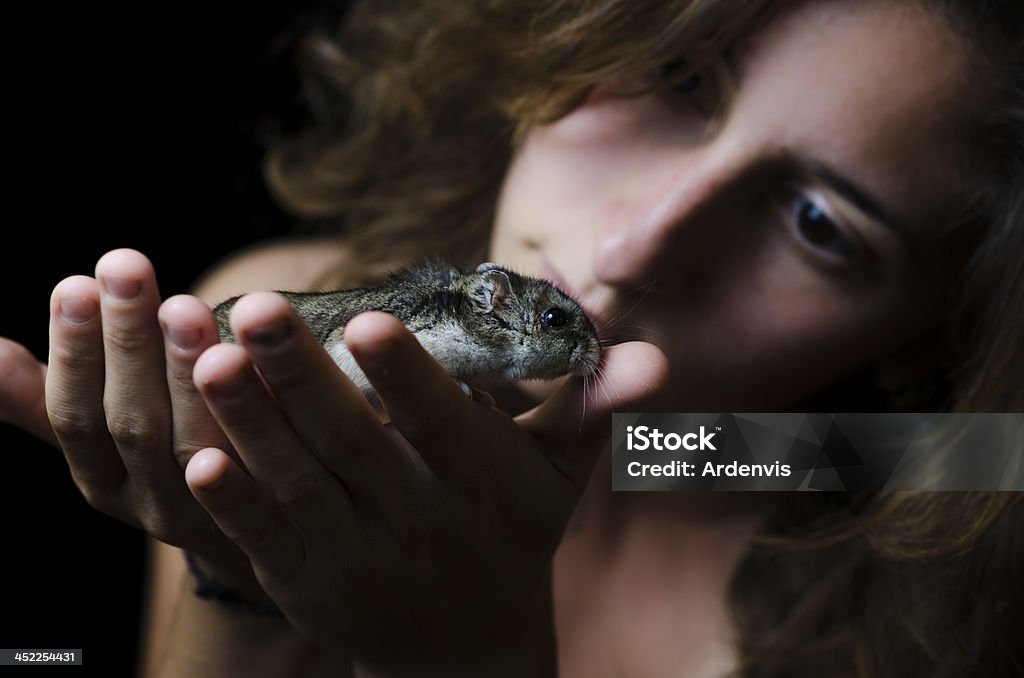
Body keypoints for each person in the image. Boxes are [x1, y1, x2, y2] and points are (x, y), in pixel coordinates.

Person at [1, 0, 1022, 675]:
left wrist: (478, 654)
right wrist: (245, 572)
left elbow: (683, 457)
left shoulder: (929, 506)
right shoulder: (287, 326)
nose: (629, 248)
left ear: (940, 334)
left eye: (818, 225)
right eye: (677, 77)